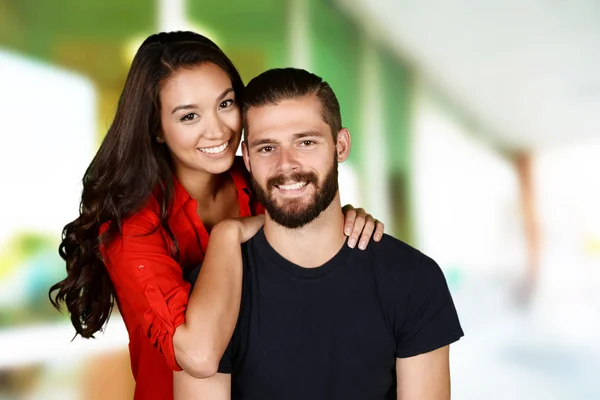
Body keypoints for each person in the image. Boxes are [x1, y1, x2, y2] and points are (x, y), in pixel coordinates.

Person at [48, 32, 385, 400]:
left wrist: (340, 220)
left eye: (225, 104)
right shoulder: (132, 229)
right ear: (157, 129)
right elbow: (200, 355)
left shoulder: (262, 175)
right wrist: (228, 234)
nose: (218, 130)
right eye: (189, 116)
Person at [173, 68, 464, 400]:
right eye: (267, 148)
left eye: (306, 142)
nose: (287, 164)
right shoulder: (213, 293)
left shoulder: (412, 279)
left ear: (340, 145)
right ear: (248, 158)